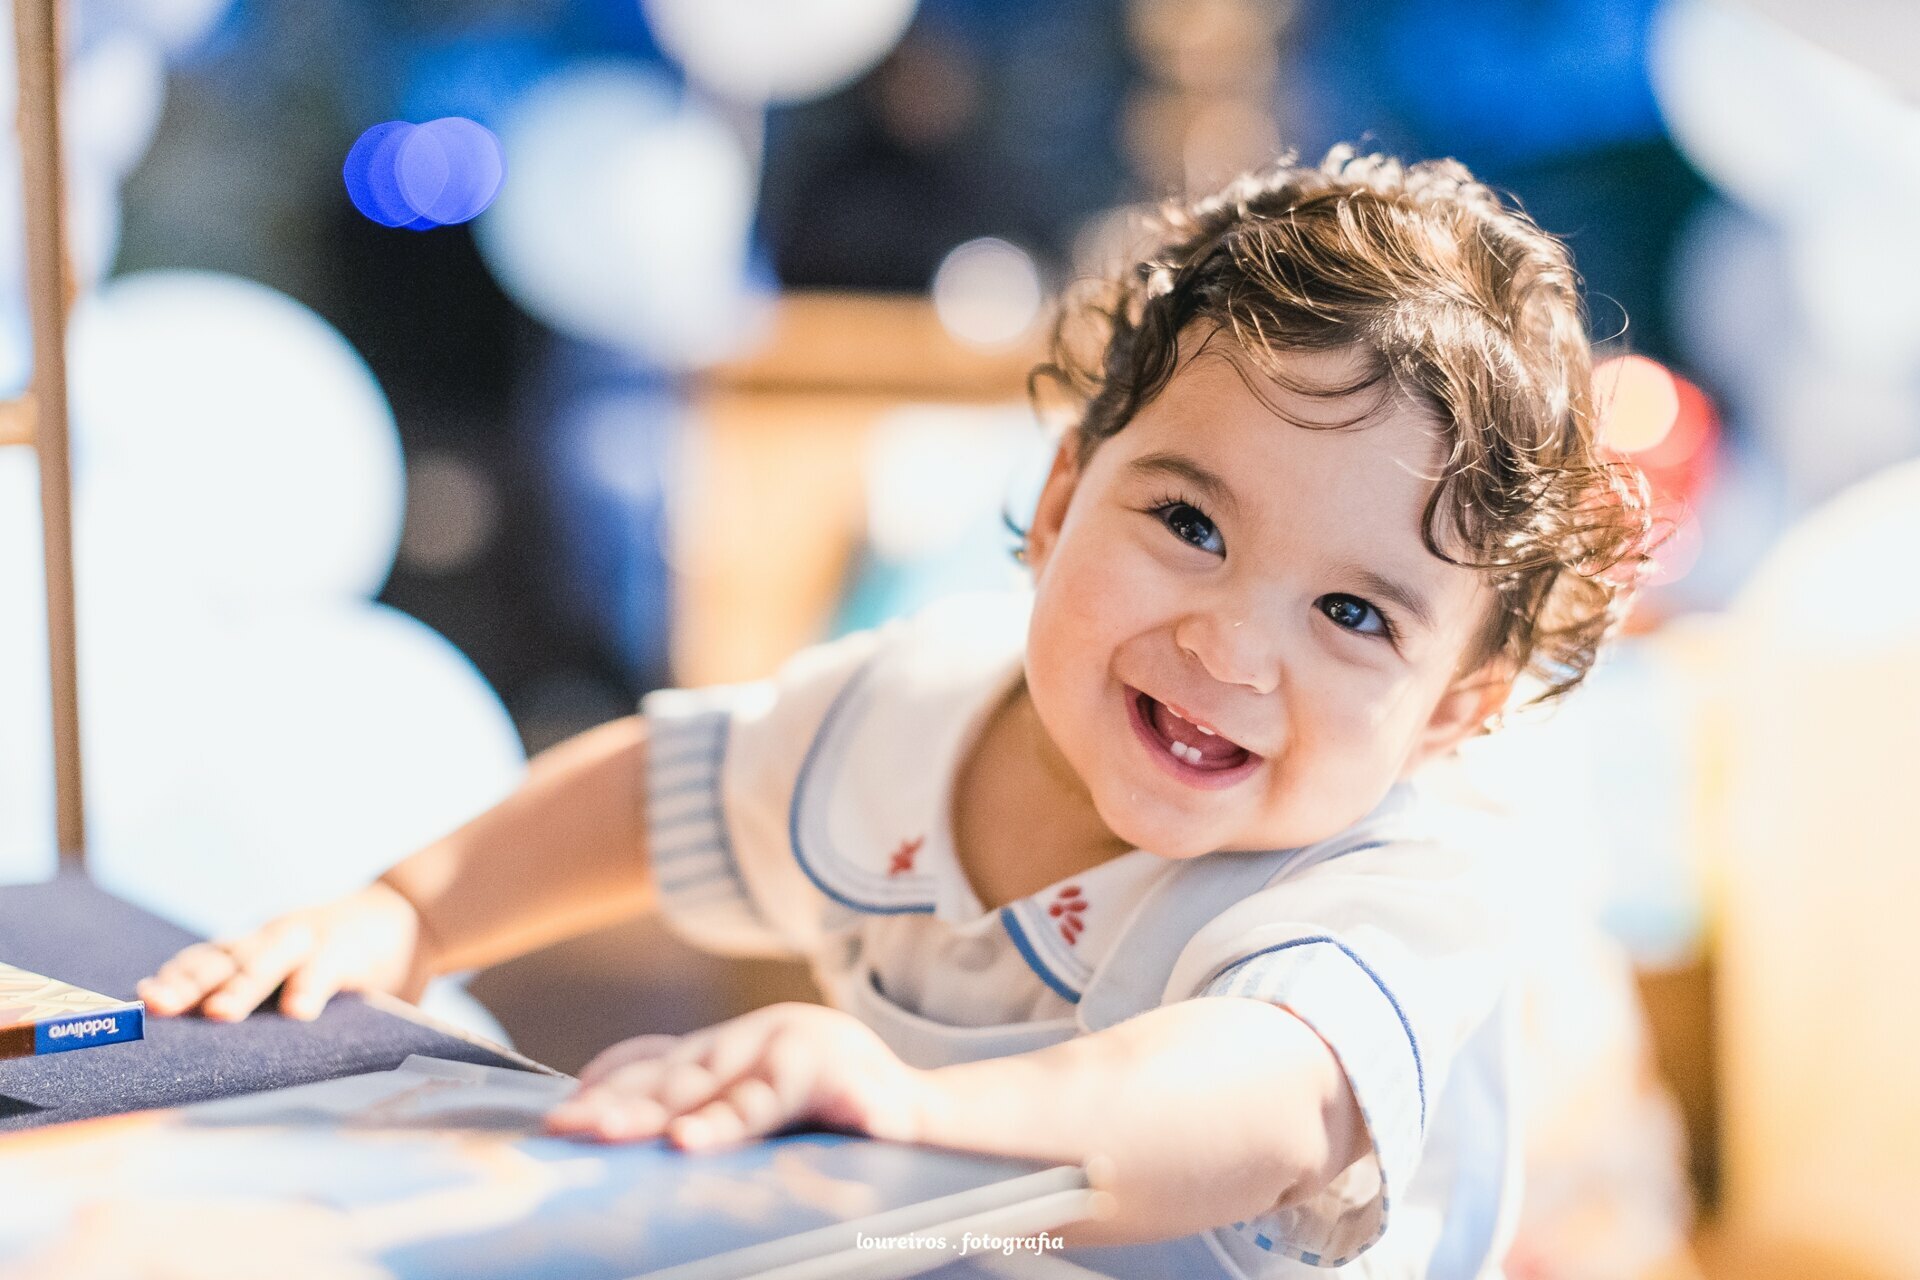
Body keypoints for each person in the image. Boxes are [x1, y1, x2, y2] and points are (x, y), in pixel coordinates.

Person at [138, 146, 1654, 1277]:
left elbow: (1241, 1102)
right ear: (1065, 497)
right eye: (1190, 523)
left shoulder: (1387, 899)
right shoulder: (920, 706)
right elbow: (675, 787)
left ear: (1455, 707)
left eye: (1350, 614)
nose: (1231, 646)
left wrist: (913, 1102)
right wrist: (411, 916)